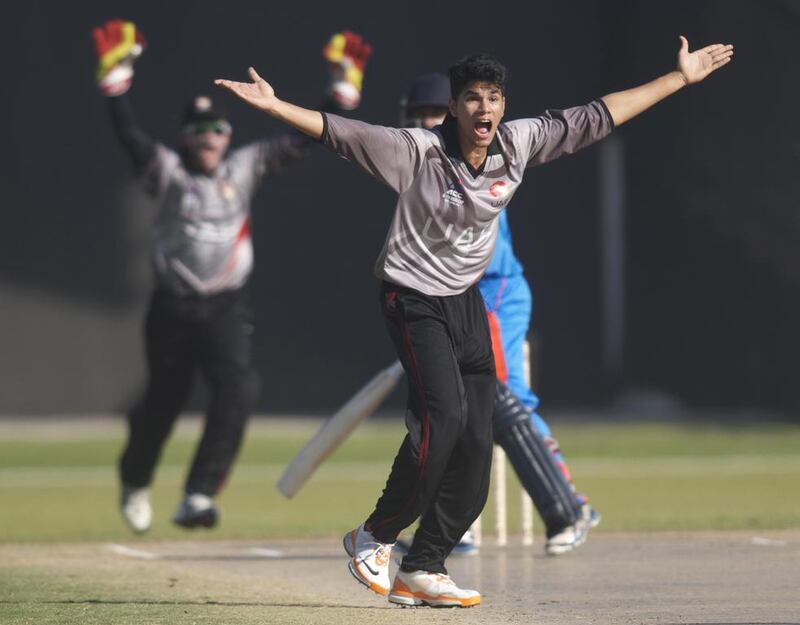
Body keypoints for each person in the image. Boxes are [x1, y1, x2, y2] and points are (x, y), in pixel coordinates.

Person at [215, 36, 733, 607]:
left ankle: (425, 566)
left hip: (466, 301)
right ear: (454, 109)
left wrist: (679, 79)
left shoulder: (519, 141)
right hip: (412, 297)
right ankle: (374, 535)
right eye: (471, 99)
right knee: (445, 417)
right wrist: (274, 105)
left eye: (492, 98)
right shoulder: (416, 151)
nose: (483, 110)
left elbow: (601, 115)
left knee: (478, 445)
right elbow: (340, 131)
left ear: (502, 106)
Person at [92, 20, 372, 533]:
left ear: (228, 135)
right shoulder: (168, 172)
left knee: (238, 390)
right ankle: (135, 478)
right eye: (198, 131)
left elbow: (302, 137)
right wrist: (116, 92)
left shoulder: (245, 166)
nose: (209, 137)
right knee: (163, 403)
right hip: (172, 306)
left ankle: (198, 494)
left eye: (217, 129)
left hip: (224, 306)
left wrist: (338, 94)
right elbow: (132, 141)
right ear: (183, 137)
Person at [398, 72, 598, 558]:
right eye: (416, 117)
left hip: (490, 293)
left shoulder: (476, 154)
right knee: (445, 409)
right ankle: (454, 523)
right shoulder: (417, 159)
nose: (425, 124)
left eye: (433, 115)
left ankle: (568, 503)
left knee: (502, 403)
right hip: (445, 299)